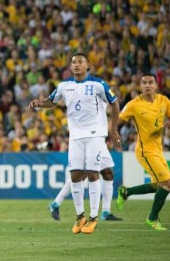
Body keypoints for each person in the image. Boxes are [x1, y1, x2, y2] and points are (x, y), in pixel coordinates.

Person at [29, 53, 120, 234]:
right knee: (76, 174)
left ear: (88, 65)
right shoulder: (64, 86)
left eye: (80, 62)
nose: (77, 65)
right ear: (71, 67)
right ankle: (80, 217)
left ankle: (94, 217)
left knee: (94, 172)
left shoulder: (98, 84)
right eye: (74, 63)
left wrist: (114, 129)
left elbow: (115, 104)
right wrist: (39, 103)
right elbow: (51, 102)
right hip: (75, 136)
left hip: (95, 135)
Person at [116, 74, 170, 231]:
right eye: (144, 83)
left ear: (156, 85)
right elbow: (118, 119)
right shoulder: (134, 105)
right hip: (145, 150)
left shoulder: (164, 101)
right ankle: (152, 218)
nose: (147, 85)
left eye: (150, 82)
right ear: (140, 86)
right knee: (167, 183)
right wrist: (113, 132)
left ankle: (126, 192)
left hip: (157, 149)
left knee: (157, 185)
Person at [47, 171, 122, 221]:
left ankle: (105, 212)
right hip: (89, 147)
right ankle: (56, 204)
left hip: (100, 147)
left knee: (108, 173)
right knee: (81, 175)